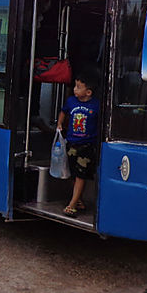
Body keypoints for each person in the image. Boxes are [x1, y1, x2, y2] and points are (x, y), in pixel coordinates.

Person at [56, 69, 100, 217]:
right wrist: (60, 124)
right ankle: (79, 200)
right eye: (75, 86)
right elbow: (63, 111)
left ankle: (72, 204)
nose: (75, 89)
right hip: (71, 143)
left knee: (81, 175)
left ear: (88, 92)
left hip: (86, 146)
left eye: (79, 87)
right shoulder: (71, 102)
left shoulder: (96, 105)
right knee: (72, 174)